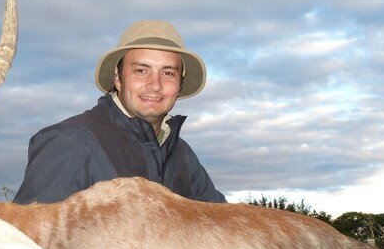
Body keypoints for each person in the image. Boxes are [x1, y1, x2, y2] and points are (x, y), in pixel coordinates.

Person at [14, 20, 226, 204]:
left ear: (179, 85)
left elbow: (221, 222)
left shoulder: (182, 154)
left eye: (168, 73)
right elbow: (26, 241)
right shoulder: (71, 141)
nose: (155, 84)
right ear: (117, 78)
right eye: (141, 71)